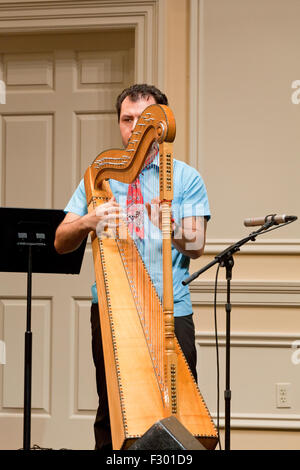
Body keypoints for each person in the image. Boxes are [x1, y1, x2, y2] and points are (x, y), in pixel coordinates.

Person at [54, 83, 210, 450]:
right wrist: (88, 220)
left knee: (180, 418)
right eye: (126, 120)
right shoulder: (101, 178)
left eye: (142, 120)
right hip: (112, 312)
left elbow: (199, 244)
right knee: (112, 412)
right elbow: (61, 240)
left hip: (173, 314)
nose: (133, 129)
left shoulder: (184, 178)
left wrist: (165, 219)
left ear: (159, 125)